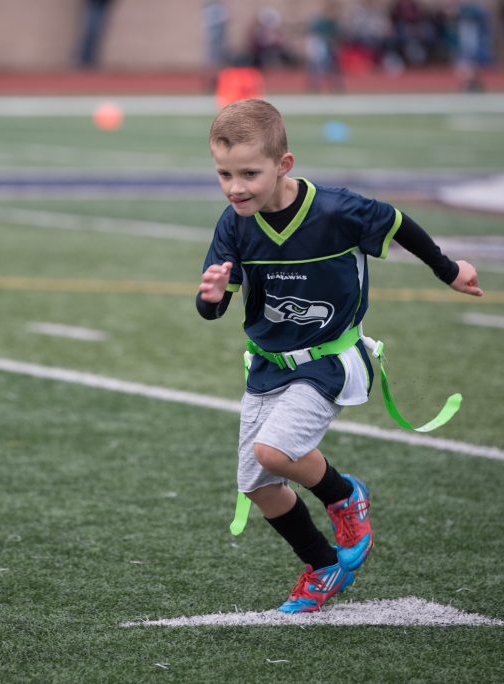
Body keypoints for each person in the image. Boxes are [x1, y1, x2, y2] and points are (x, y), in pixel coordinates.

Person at [196, 99, 482, 613]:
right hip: (267, 366)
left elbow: (398, 223)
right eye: (224, 174)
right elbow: (213, 306)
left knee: (272, 453)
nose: (235, 186)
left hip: (329, 359)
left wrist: (447, 269)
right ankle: (323, 566)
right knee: (259, 486)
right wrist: (211, 297)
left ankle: (344, 495)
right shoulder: (234, 223)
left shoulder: (336, 209)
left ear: (284, 165)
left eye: (248, 173)